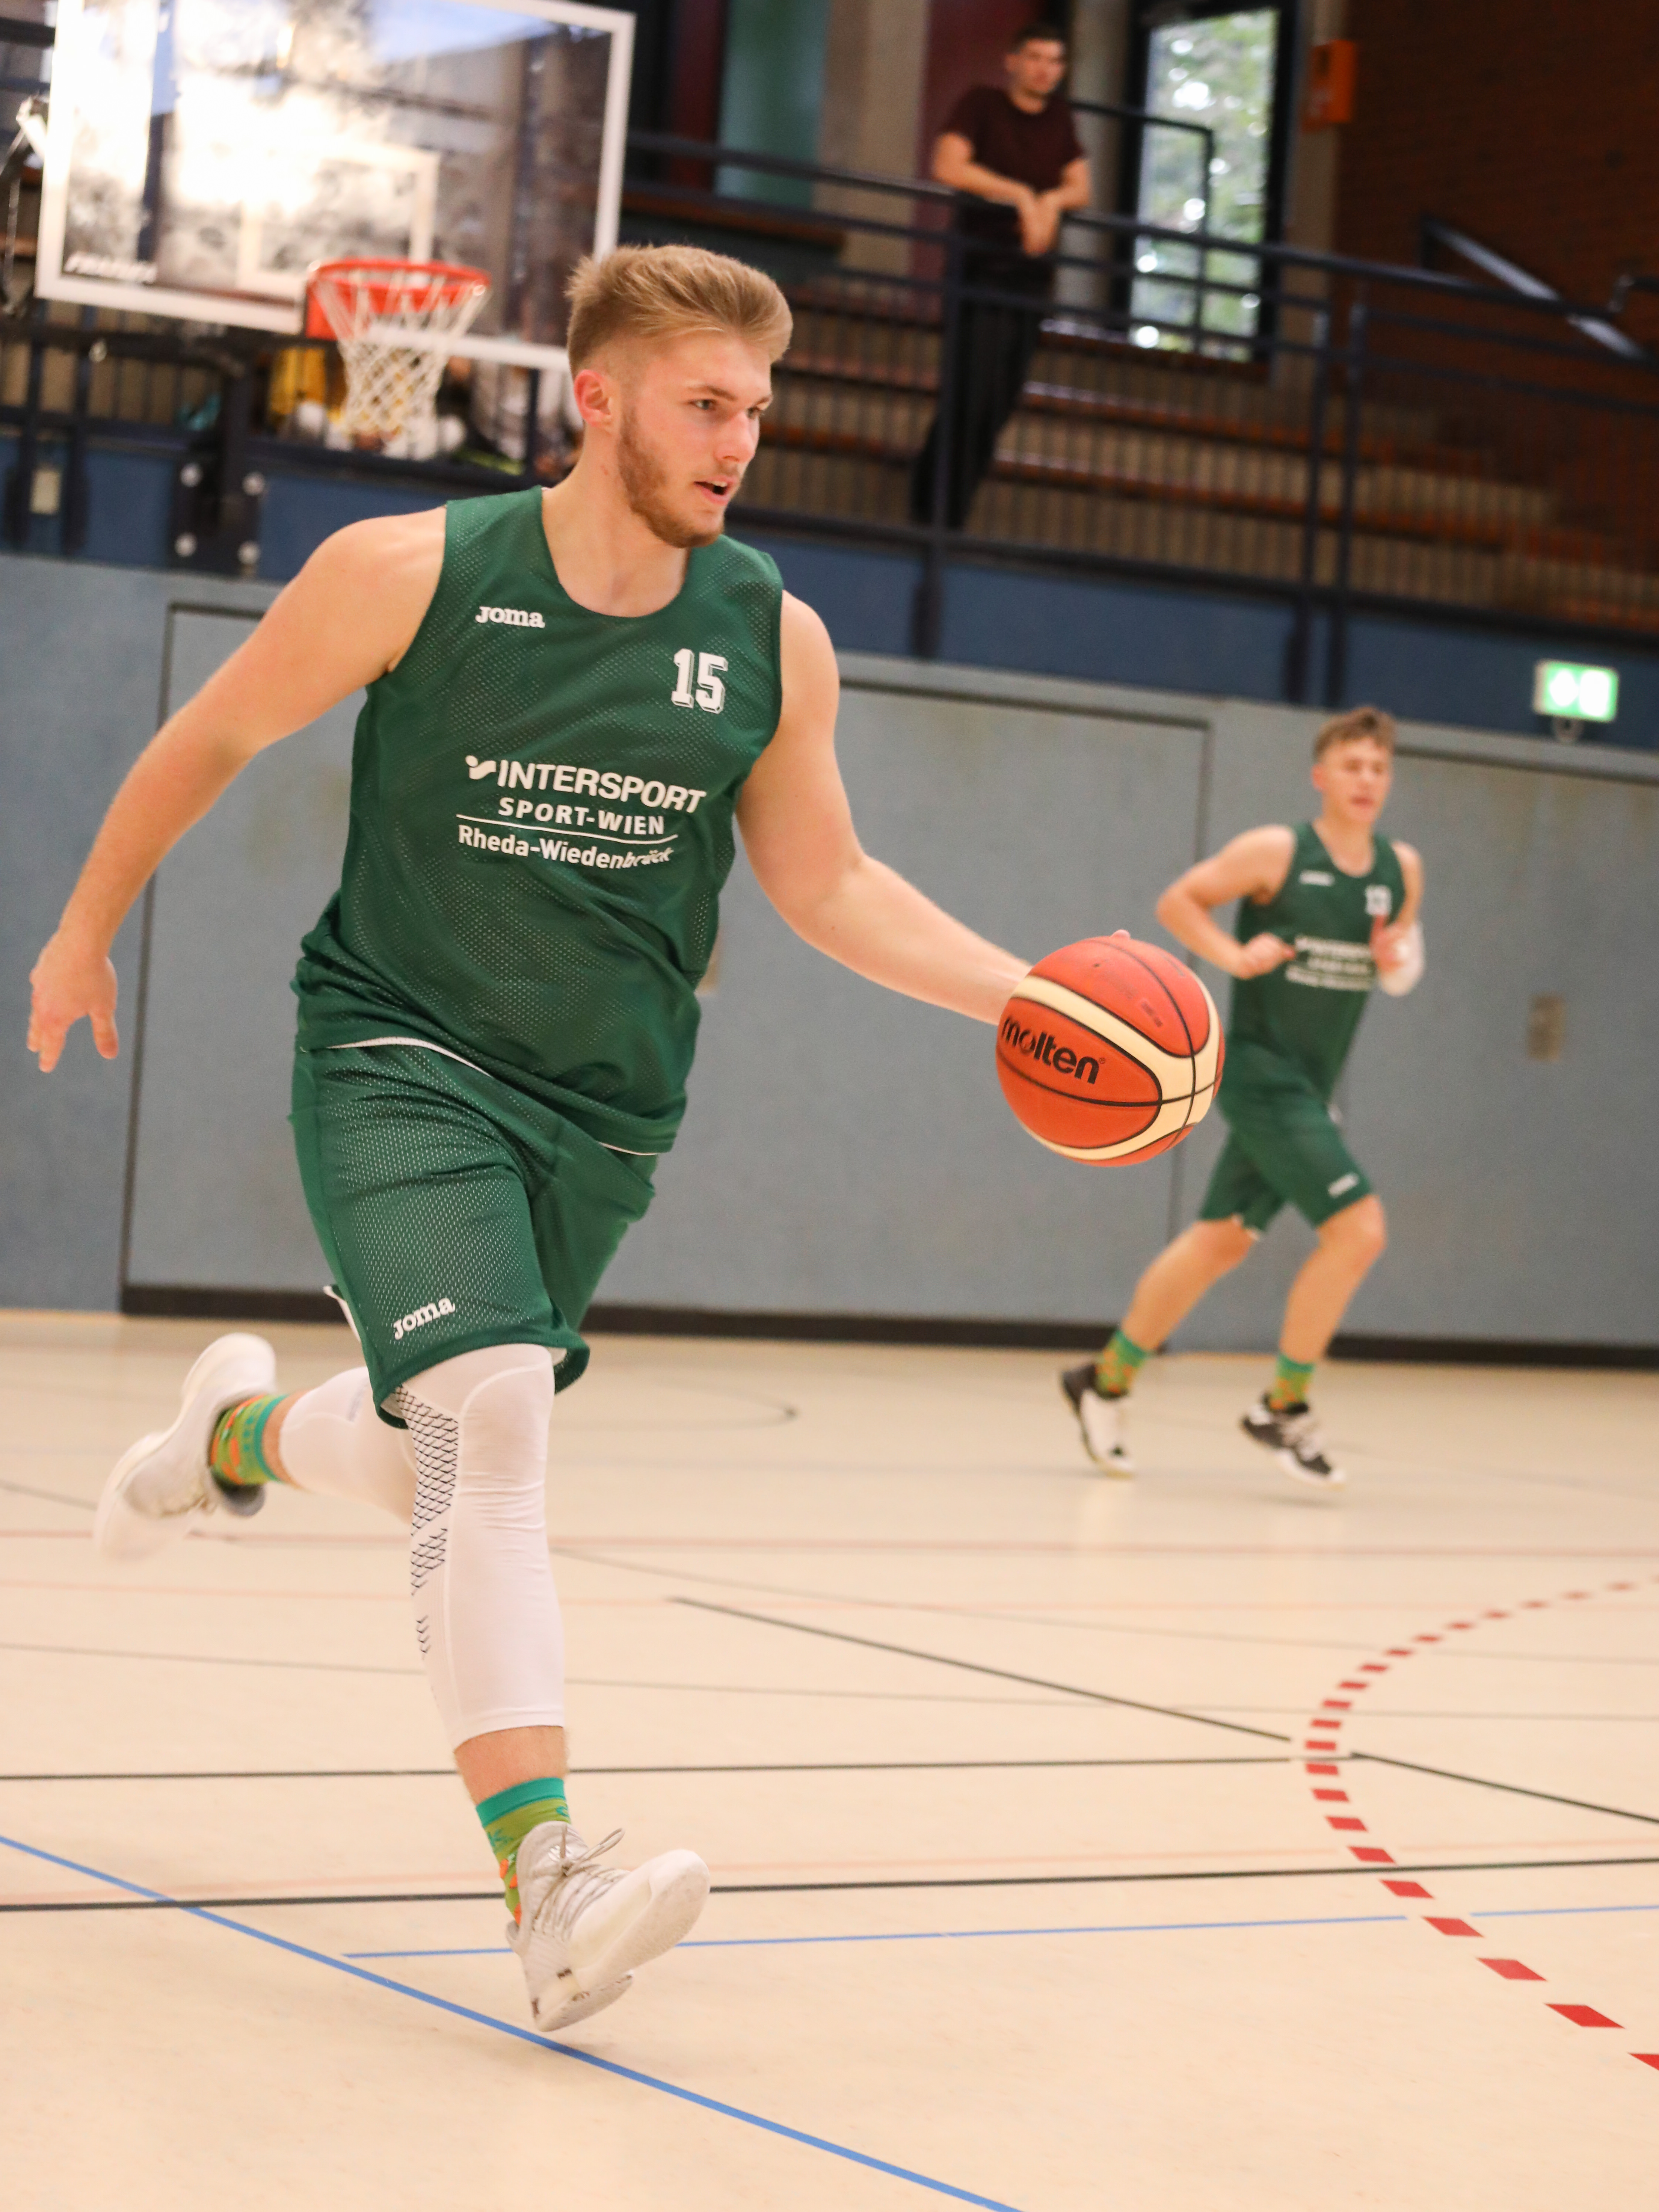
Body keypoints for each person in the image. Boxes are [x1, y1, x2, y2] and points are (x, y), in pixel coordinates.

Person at [28, 244, 1040, 2038]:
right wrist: (83, 925)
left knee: (428, 1429)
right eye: (706, 403)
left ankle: (227, 1440)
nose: (738, 441)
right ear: (598, 397)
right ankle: (548, 1883)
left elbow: (829, 883)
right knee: (492, 1416)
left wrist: (1028, 996)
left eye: (756, 410)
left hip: (603, 1114)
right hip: (397, 1053)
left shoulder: (769, 634)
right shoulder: (410, 570)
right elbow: (214, 731)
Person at [1062, 707, 1425, 1489]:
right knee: (1358, 1230)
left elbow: (1398, 971)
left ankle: (1104, 1378)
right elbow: (1178, 901)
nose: (1366, 778)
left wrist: (1396, 959)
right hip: (1260, 1074)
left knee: (1219, 1241)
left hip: (1311, 1086)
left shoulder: (1400, 868)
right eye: (1352, 764)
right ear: (1320, 775)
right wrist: (1233, 954)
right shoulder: (1277, 851)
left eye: (1378, 767)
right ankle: (1283, 1405)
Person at [909, 21, 1091, 530]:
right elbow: (949, 165)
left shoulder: (1060, 119)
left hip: (1031, 280)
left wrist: (1048, 201)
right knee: (972, 392)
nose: (1045, 70)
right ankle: (935, 511)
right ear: (1013, 61)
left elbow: (1081, 188)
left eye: (1055, 61)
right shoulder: (982, 104)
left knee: (1001, 400)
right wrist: (1020, 195)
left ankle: (947, 509)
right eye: (1035, 58)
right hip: (979, 270)